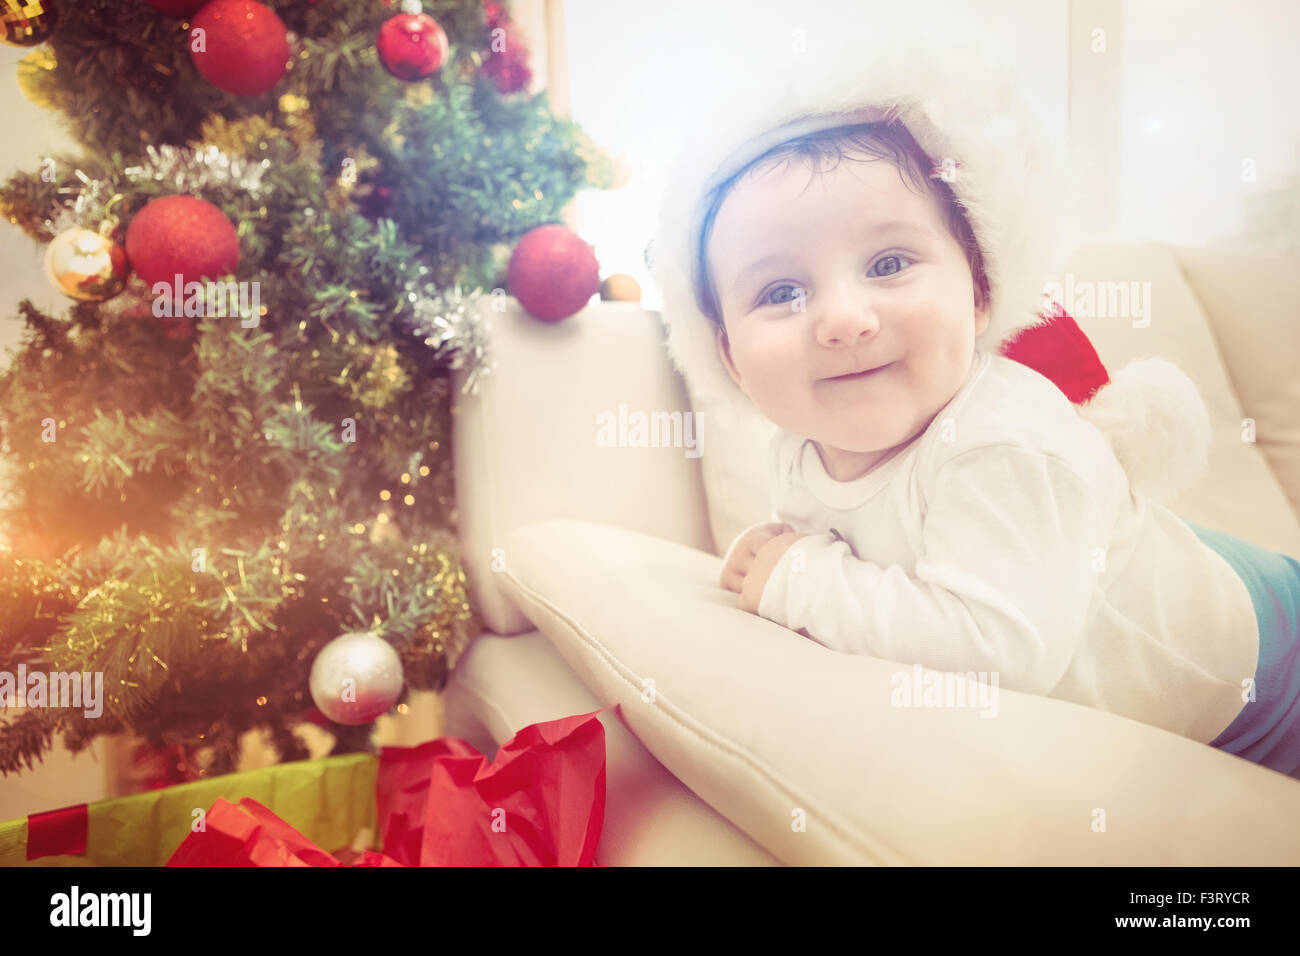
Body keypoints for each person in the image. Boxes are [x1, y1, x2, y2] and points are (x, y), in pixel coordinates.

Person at [651, 36, 1300, 776]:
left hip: (1271, 668)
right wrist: (779, 559)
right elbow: (852, 559)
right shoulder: (799, 447)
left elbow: (998, 656)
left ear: (981, 291)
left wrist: (801, 579)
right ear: (729, 355)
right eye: (780, 293)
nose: (843, 318)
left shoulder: (1004, 441)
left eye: (889, 263)